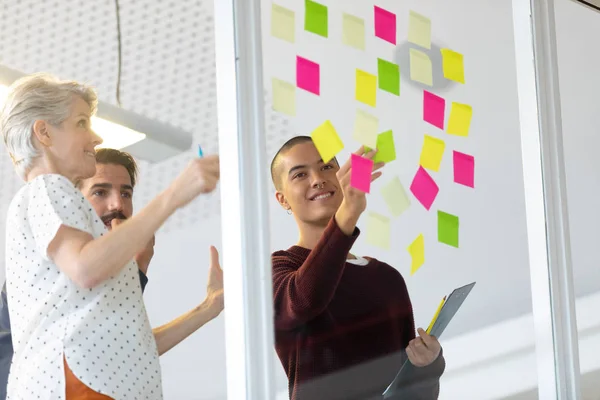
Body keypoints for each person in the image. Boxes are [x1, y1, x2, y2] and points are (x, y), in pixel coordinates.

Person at [0, 73, 220, 399]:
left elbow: (129, 342)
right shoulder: (49, 186)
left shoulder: (51, 208)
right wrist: (175, 194)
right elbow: (86, 267)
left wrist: (210, 306)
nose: (96, 136)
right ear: (44, 132)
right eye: (81, 123)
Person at [270, 136, 446, 400]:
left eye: (327, 166)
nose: (318, 178)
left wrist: (427, 366)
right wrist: (347, 215)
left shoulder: (386, 278)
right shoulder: (279, 270)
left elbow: (410, 394)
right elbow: (303, 300)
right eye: (300, 175)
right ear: (282, 200)